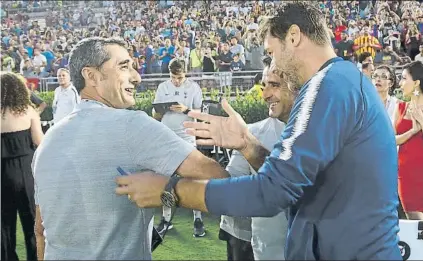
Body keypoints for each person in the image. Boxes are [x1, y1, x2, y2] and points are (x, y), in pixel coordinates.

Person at [115, 3, 402, 260]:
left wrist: (170, 190)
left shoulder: (327, 86)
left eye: (271, 52)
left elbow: (271, 192)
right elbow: (299, 185)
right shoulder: (343, 81)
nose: (273, 64)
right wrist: (249, 145)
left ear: (293, 36)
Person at [32, 37, 229, 260]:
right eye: (124, 66)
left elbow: (40, 231)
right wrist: (169, 194)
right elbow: (223, 182)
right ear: (91, 76)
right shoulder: (132, 125)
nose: (136, 77)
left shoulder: (47, 142)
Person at [219, 55, 295, 261]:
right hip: (266, 251)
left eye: (274, 85)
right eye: (264, 85)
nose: (265, 94)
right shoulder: (254, 132)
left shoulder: (330, 132)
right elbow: (231, 185)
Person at [152, 58, 206, 237]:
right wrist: (161, 109)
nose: (176, 81)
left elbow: (201, 114)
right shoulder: (163, 87)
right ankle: (166, 220)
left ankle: (198, 219)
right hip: (167, 138)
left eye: (180, 77)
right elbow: (155, 113)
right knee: (166, 181)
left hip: (187, 138)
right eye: (173, 77)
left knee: (192, 180)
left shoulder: (194, 88)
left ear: (186, 73)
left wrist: (185, 110)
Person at [1, 72, 44, 261]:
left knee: (4, 225)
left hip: (2, 173)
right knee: (31, 223)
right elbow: (40, 142)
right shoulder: (28, 110)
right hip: (26, 171)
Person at [394, 61, 423, 220]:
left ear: (417, 83)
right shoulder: (400, 106)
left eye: (404, 78)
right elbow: (392, 140)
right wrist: (412, 131)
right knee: (413, 221)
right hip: (405, 173)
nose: (401, 83)